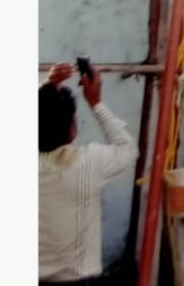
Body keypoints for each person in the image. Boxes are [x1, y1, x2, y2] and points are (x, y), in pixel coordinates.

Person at [39, 62, 137, 283]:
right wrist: (95, 102)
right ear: (73, 128)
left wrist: (45, 87)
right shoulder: (88, 163)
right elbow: (128, 149)